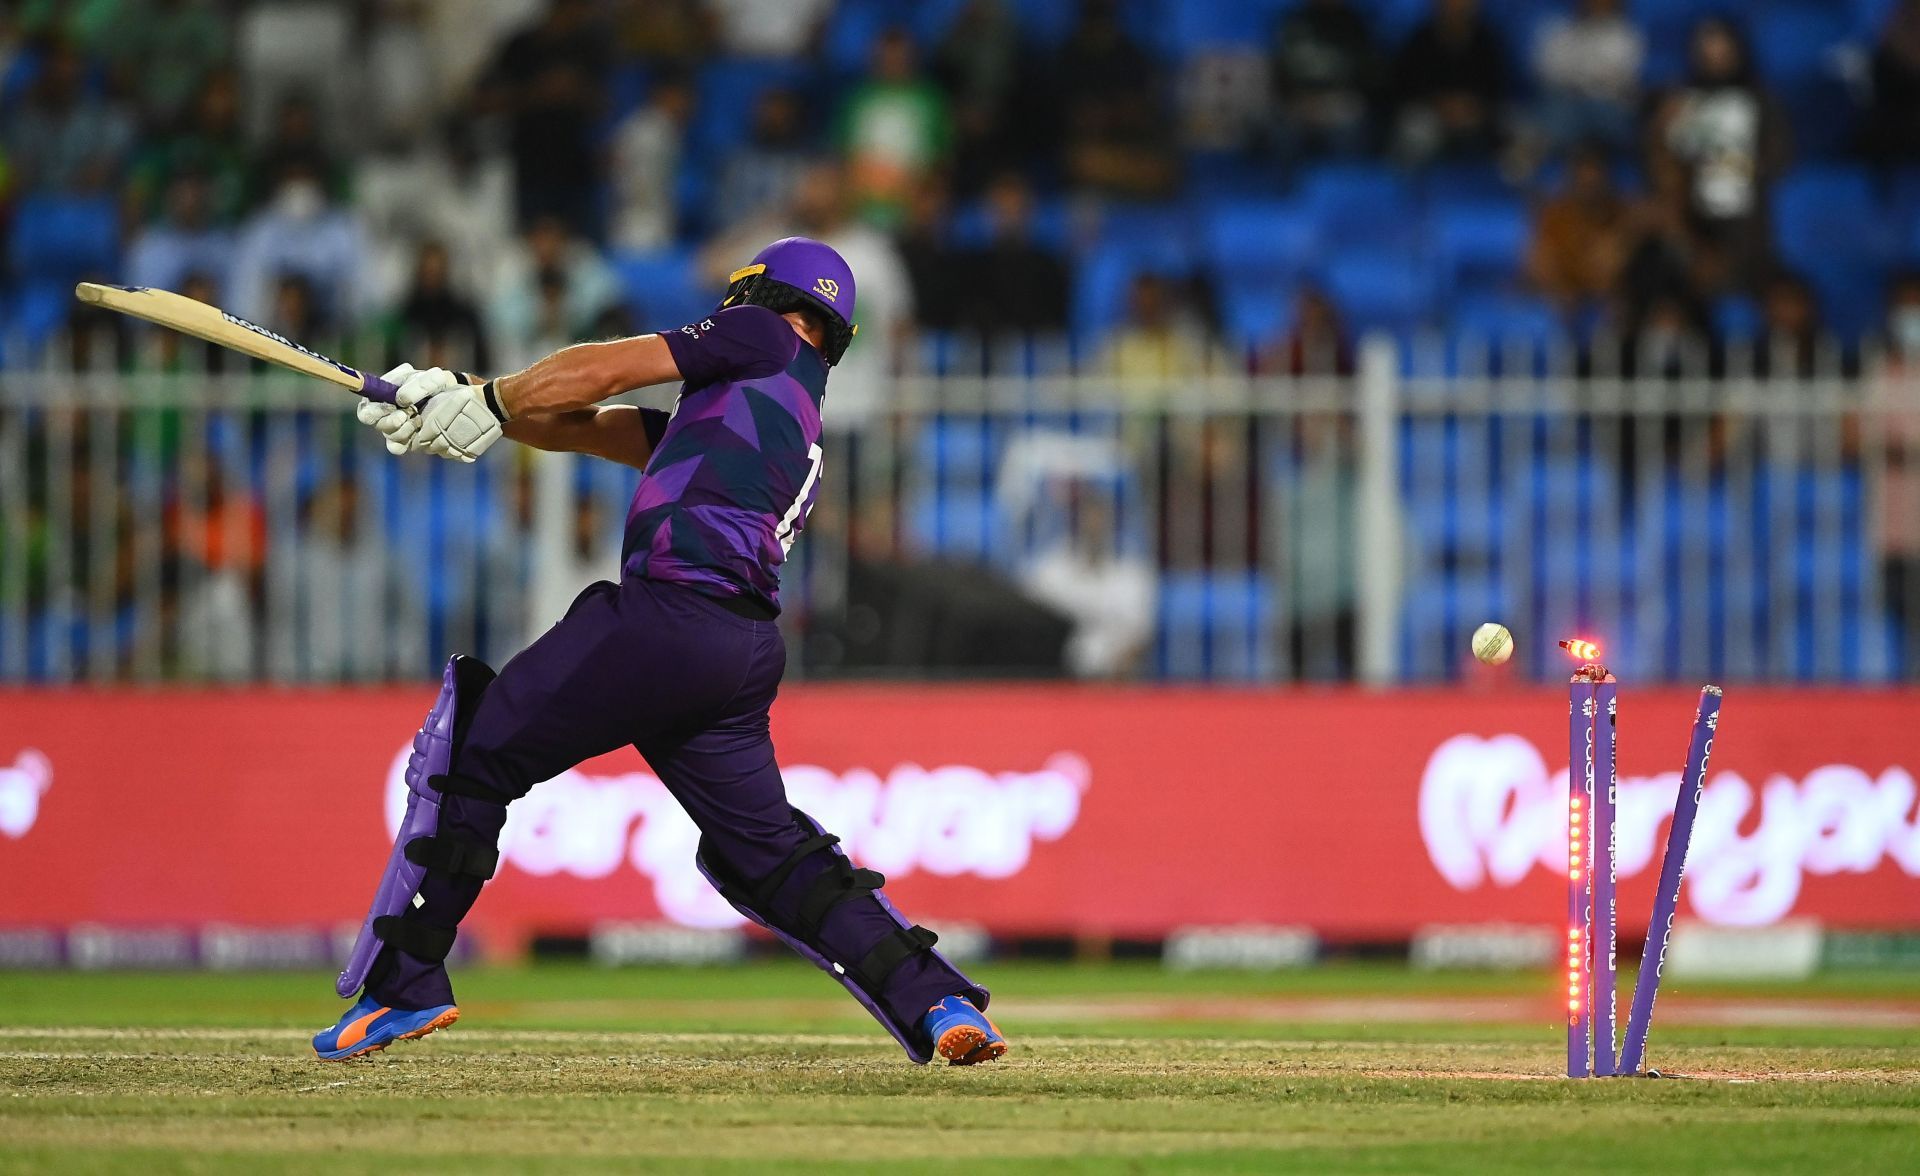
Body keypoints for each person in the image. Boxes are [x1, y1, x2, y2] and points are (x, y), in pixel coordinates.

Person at [316, 238, 1006, 1067]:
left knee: (469, 754)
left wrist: (494, 398)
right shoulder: (783, 407)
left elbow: (610, 368)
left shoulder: (759, 338)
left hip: (665, 617)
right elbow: (588, 427)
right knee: (771, 855)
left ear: (756, 295)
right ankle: (935, 999)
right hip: (738, 654)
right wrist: (453, 400)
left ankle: (404, 983)